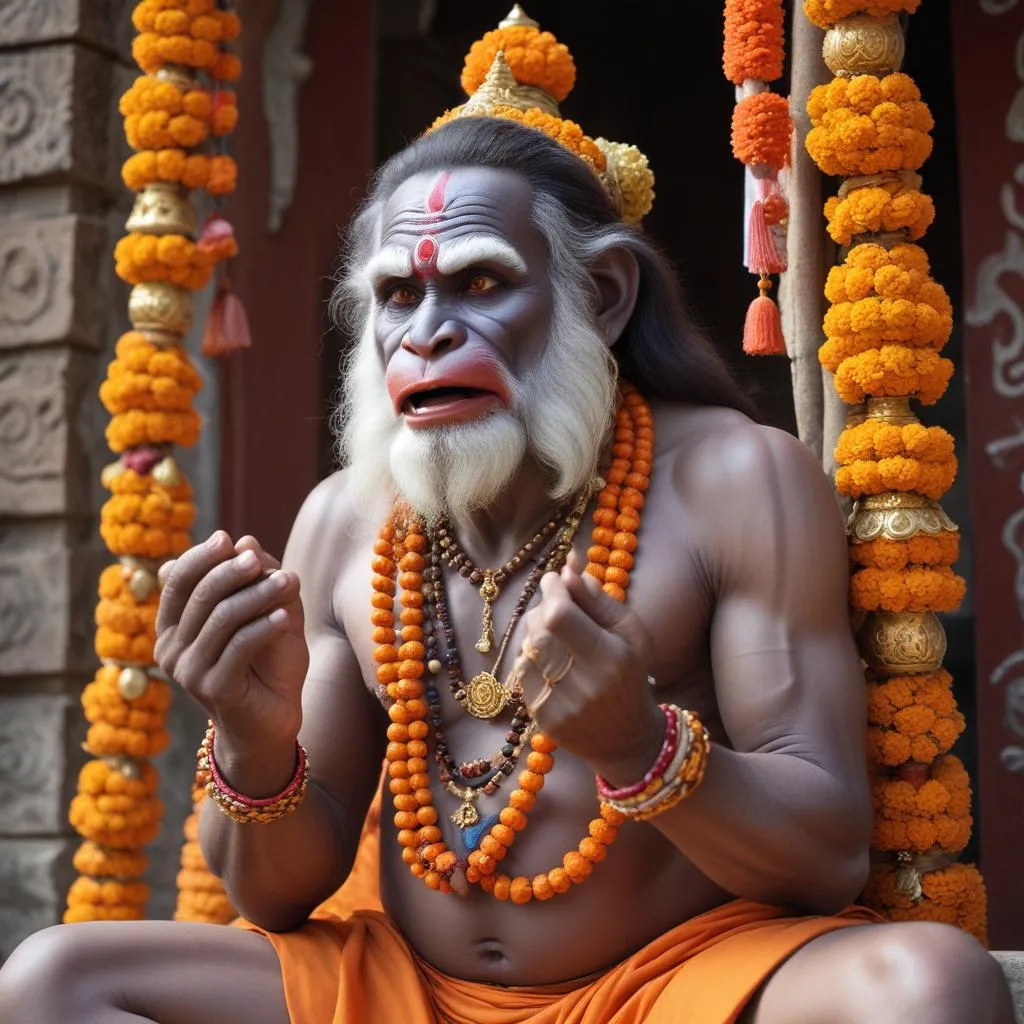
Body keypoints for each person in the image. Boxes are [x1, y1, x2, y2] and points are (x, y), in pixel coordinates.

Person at [0, 39, 1013, 1024]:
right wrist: (254, 740)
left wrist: (642, 746)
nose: (427, 331)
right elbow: (275, 899)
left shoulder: (736, 480)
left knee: (925, 987)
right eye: (398, 295)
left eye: (478, 282)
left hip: (671, 982)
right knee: (56, 979)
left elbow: (825, 854)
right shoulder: (345, 521)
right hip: (401, 991)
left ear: (603, 295)